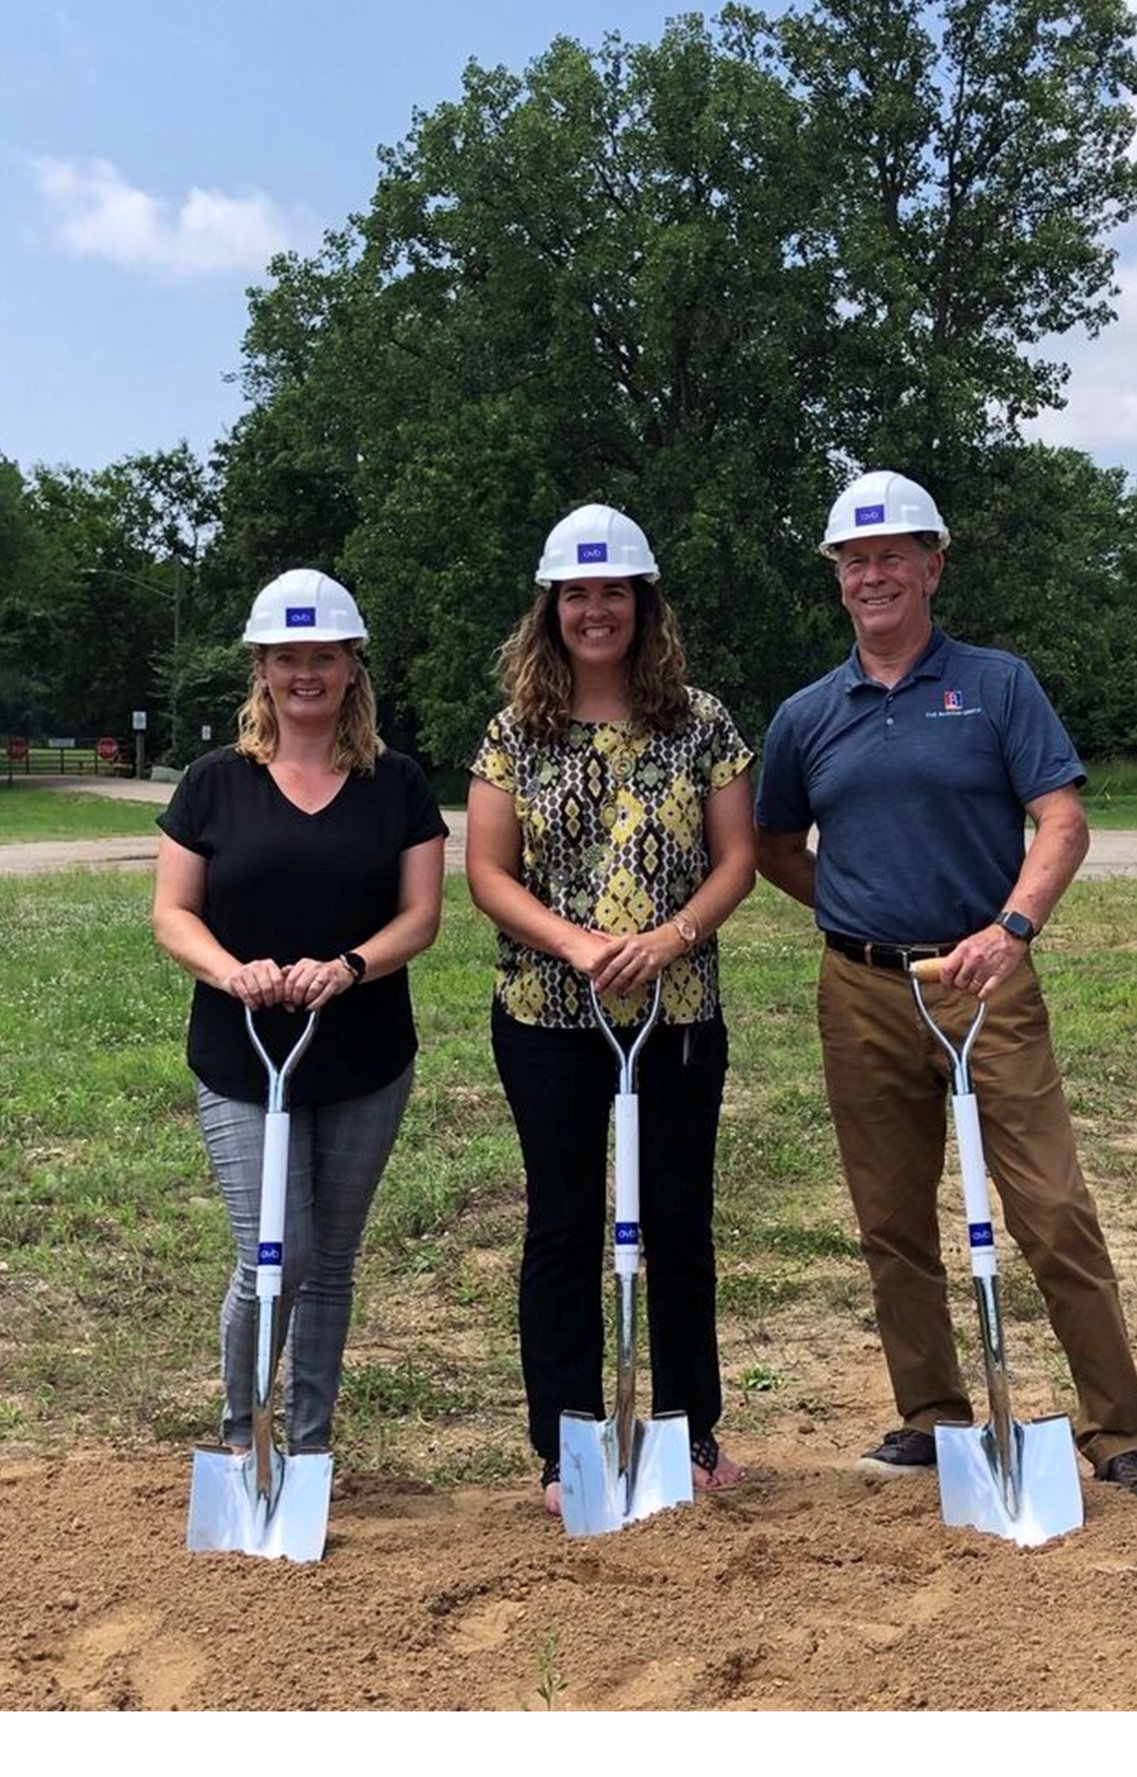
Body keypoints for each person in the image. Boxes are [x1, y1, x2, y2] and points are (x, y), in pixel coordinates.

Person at [754, 471, 1137, 1495]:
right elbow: (776, 844)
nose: (873, 575)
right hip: (864, 990)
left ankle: (1117, 1425)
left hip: (988, 979)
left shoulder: (998, 685)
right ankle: (931, 1414)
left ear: (934, 565)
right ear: (838, 579)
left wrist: (1011, 928)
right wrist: (853, 913)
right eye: (854, 561)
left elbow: (1061, 820)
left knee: (1052, 1204)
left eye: (892, 556)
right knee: (891, 1217)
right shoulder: (806, 715)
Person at [466, 503, 756, 1515]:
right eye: (577, 594)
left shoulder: (702, 721)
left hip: (676, 1011)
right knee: (563, 1222)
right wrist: (579, 943)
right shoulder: (514, 732)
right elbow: (489, 875)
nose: (597, 611)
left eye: (614, 593)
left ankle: (691, 1429)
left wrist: (672, 937)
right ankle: (565, 1444)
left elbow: (738, 860)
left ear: (643, 603)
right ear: (552, 609)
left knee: (677, 1218)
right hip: (547, 1013)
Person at [153, 567, 446, 1456]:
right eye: (287, 657)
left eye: (323, 656)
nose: (305, 673)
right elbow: (173, 912)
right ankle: (243, 1436)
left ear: (353, 667)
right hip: (243, 1054)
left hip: (363, 1054)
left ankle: (310, 1444)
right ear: (262, 668)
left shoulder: (395, 782)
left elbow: (420, 916)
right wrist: (230, 971)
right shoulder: (214, 783)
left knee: (329, 1262)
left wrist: (350, 966)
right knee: (271, 1250)